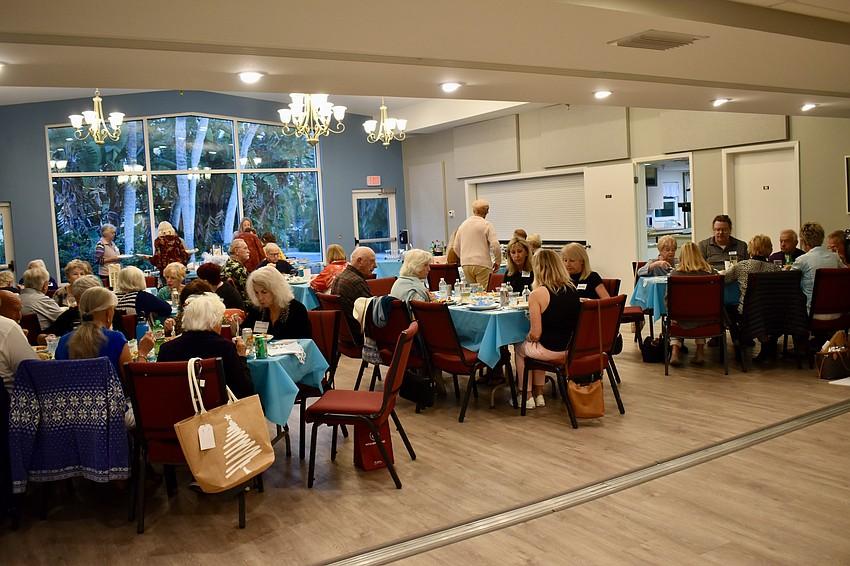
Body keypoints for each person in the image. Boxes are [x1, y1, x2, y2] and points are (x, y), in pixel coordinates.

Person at [513, 250, 580, 410]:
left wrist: (527, 338)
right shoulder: (572, 289)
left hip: (551, 350)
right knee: (535, 349)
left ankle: (526, 395)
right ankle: (539, 392)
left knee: (521, 348)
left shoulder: (537, 294)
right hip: (571, 348)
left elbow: (536, 334)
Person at [157, 292, 254, 398]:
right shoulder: (225, 348)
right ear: (215, 322)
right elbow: (245, 390)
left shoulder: (167, 349)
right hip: (219, 410)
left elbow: (160, 388)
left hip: (178, 410)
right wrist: (241, 357)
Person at [55, 287, 154, 378]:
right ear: (108, 312)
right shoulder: (116, 339)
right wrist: (142, 353)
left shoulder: (64, 340)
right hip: (111, 397)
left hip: (73, 397)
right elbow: (134, 382)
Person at [723, 234, 782, 360]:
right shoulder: (776, 268)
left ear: (750, 249)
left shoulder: (742, 266)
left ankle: (738, 343)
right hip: (771, 311)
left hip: (748, 311)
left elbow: (724, 280)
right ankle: (766, 342)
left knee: (728, 310)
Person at [667, 242, 714, 367]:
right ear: (699, 254)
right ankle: (699, 353)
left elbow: (668, 300)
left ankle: (675, 353)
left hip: (681, 318)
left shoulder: (675, 275)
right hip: (706, 317)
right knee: (700, 315)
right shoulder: (710, 272)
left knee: (674, 317)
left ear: (681, 256)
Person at [243, 266, 311, 339]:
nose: (260, 298)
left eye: (264, 292)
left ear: (276, 290)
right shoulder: (258, 310)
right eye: (256, 292)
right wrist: (235, 327)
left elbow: (304, 341)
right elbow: (245, 332)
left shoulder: (296, 309)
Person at [790, 221, 847, 309]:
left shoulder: (802, 260)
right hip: (835, 310)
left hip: (811, 312)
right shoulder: (834, 257)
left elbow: (788, 282)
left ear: (804, 242)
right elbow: (846, 275)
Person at [330, 246, 376, 343]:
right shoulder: (356, 282)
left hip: (343, 336)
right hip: (359, 336)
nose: (375, 265)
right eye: (372, 261)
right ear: (359, 261)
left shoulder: (339, 277)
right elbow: (373, 311)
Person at [453, 199, 501, 287]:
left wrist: (464, 257)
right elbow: (495, 245)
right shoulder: (487, 225)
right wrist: (498, 261)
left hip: (466, 264)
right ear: (487, 212)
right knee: (484, 294)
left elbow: (455, 246)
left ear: (473, 211)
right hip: (482, 264)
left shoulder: (463, 225)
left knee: (474, 293)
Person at [0, 290, 37, 392]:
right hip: (10, 403)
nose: (19, 316)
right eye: (15, 310)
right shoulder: (7, 326)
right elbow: (33, 371)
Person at [222, 238, 252, 306]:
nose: (249, 251)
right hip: (243, 305)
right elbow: (248, 293)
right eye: (245, 248)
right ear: (237, 251)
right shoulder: (239, 269)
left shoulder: (226, 265)